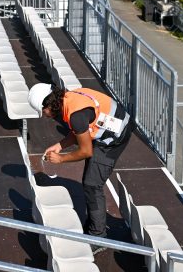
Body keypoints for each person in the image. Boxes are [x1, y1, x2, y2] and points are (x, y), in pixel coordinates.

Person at [28, 83, 134, 242]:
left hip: (115, 138)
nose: (44, 115)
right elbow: (80, 131)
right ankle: (94, 225)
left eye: (43, 111)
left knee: (92, 185)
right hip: (109, 130)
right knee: (89, 182)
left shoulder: (75, 114)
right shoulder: (69, 99)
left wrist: (61, 159)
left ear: (49, 104)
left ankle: (98, 237)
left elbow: (86, 151)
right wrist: (60, 145)